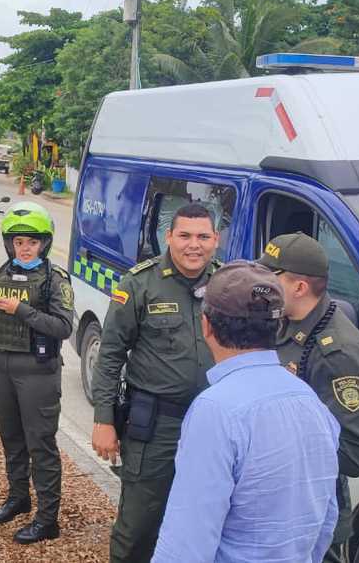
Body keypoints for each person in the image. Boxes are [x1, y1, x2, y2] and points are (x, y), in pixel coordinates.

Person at [152, 261, 340, 563]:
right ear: (278, 326)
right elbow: (326, 518)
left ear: (206, 326)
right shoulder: (312, 403)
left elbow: (187, 542)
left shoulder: (216, 411)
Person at [92, 203, 221, 563]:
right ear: (169, 237)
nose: (193, 245)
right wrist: (104, 418)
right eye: (184, 236)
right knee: (139, 526)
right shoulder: (139, 284)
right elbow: (110, 354)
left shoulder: (227, 284)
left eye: (202, 236)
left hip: (214, 426)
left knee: (204, 519)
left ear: (216, 240)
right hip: (157, 427)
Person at [258, 233, 359, 563]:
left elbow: (357, 455)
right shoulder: (286, 320)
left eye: (271, 276)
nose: (262, 284)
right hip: (279, 504)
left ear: (299, 287)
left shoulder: (337, 354)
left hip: (311, 520)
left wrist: (279, 444)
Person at [0, 202, 75, 544]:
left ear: (44, 244)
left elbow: (64, 326)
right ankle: (19, 498)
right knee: (12, 439)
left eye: (32, 242)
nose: (25, 248)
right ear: (10, 243)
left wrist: (22, 310)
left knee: (41, 445)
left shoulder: (53, 279)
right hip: (3, 367)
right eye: (19, 242)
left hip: (37, 371)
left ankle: (48, 519)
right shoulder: (3, 273)